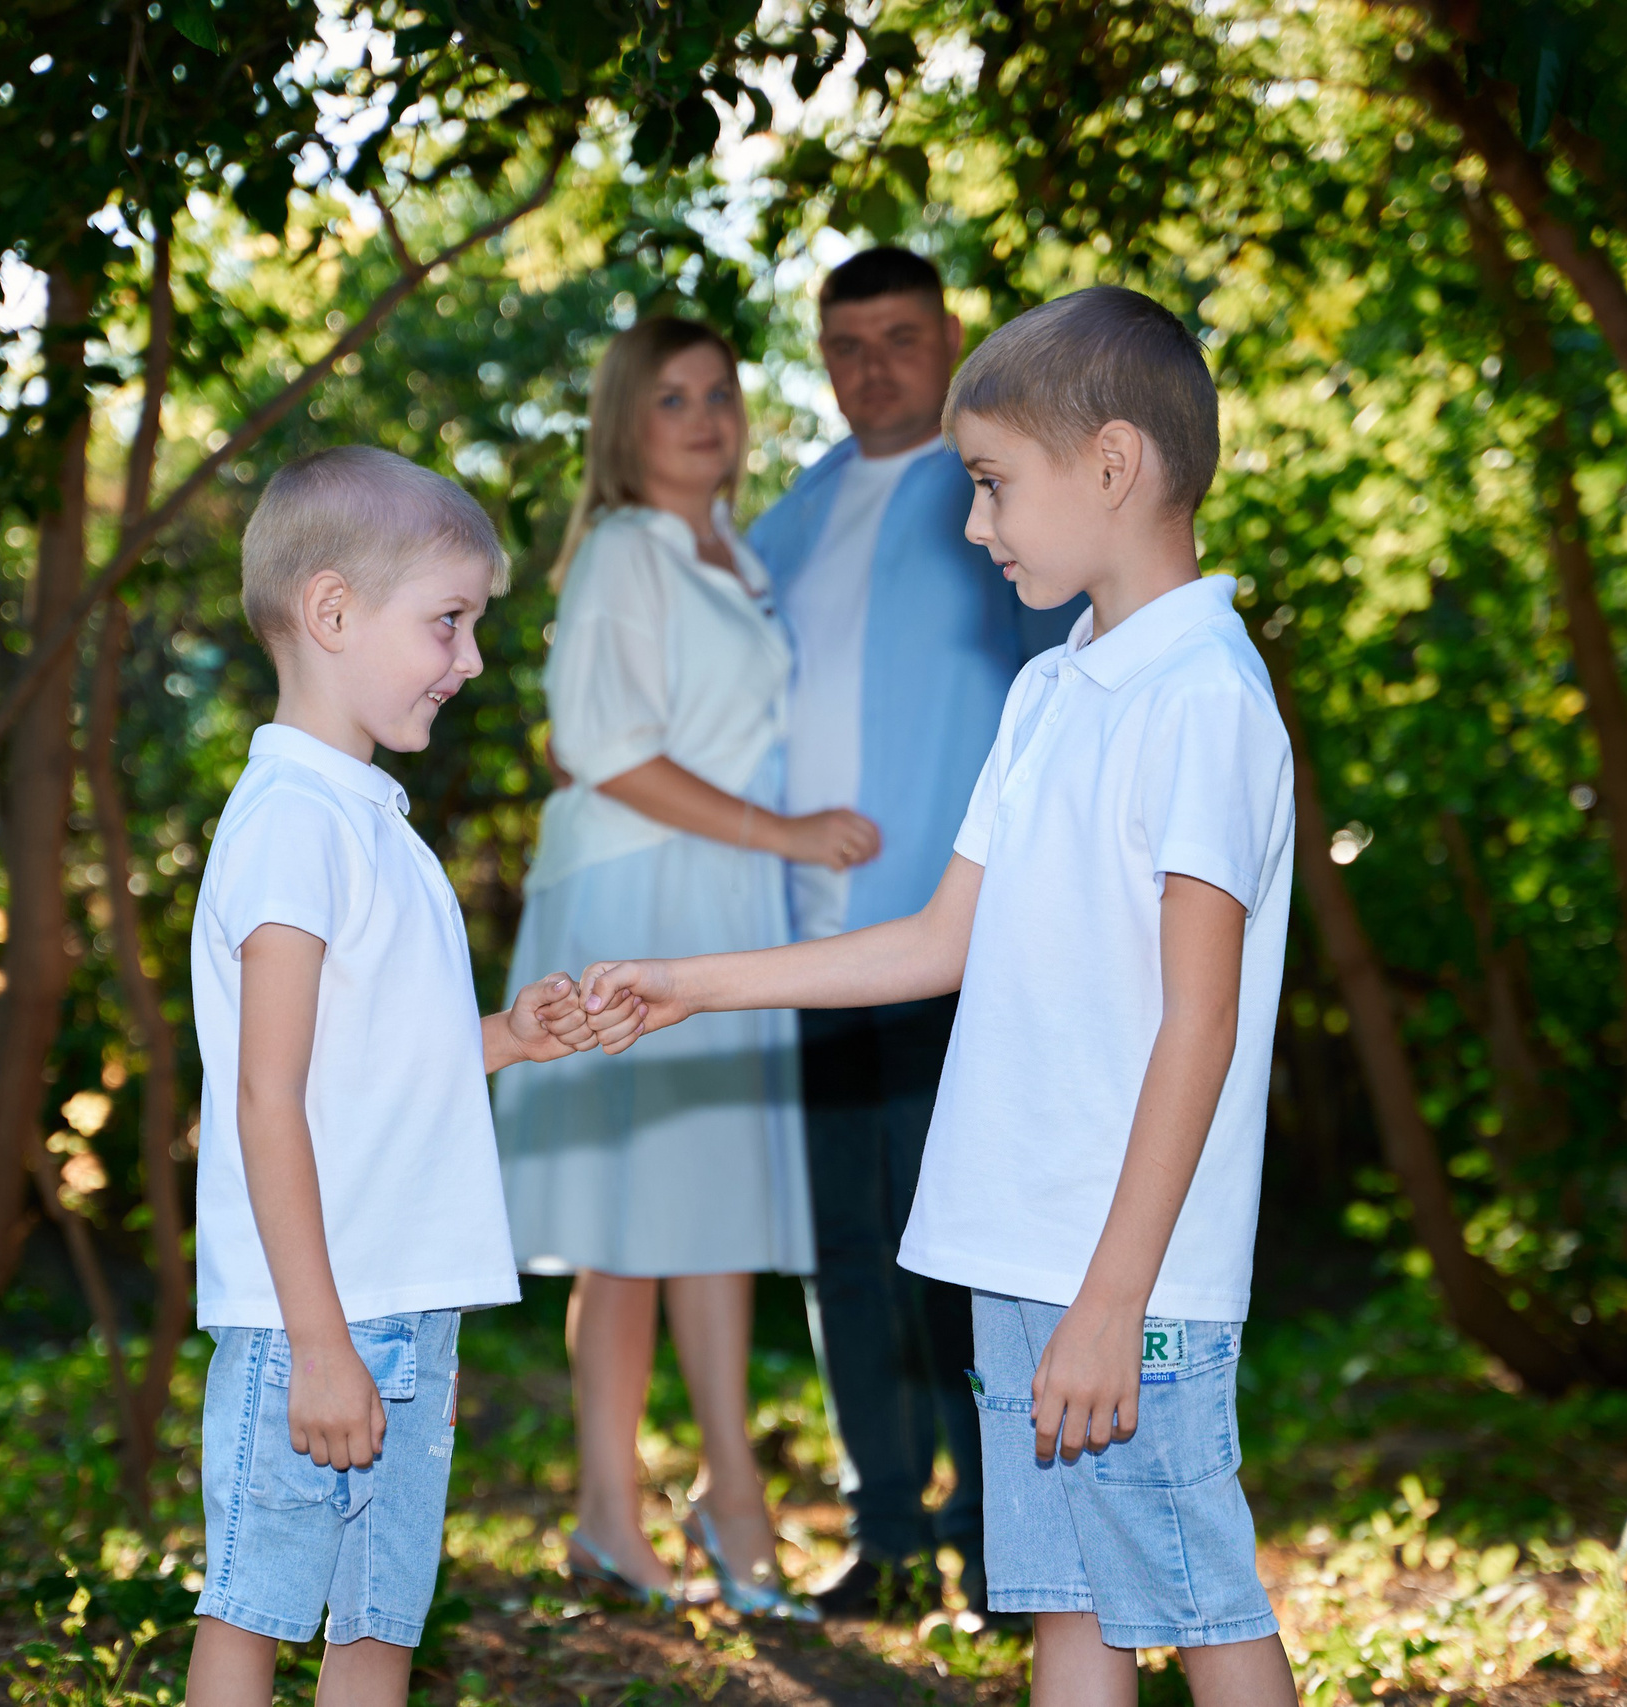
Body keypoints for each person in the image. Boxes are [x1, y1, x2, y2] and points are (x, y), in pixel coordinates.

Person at [573, 287, 1303, 1707]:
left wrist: (1112, 1296)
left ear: (1110, 464)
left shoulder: (1205, 696)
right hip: (1021, 1246)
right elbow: (933, 939)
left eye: (991, 485)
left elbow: (1196, 1021)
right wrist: (689, 983)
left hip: (1123, 1272)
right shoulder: (1049, 695)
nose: (976, 526)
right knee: (1070, 1611)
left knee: (1202, 1605)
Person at [183, 446, 641, 1707]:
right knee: (255, 1607)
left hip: (407, 1304)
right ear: (331, 613)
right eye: (448, 622)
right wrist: (320, 1345)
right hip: (312, 1321)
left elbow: (370, 1062)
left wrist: (505, 1039)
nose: (471, 659)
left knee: (380, 1621)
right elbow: (265, 1098)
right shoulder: (289, 824)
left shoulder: (369, 821)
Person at [493, 317, 874, 1620]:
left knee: (714, 1203)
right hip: (632, 885)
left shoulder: (742, 557)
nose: (705, 416)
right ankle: (608, 1507)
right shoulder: (622, 551)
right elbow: (605, 748)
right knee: (629, 1219)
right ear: (624, 421)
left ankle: (736, 1499)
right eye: (672, 397)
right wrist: (783, 832)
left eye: (720, 392)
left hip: (721, 892)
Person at [746, 245, 1080, 1619]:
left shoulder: (996, 490)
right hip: (812, 942)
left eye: (897, 335)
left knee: (967, 1246)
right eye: (844, 341)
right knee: (846, 1249)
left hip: (967, 933)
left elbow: (1061, 678)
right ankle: (883, 1531)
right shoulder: (783, 519)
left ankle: (1005, 1543)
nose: (869, 364)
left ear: (949, 336)